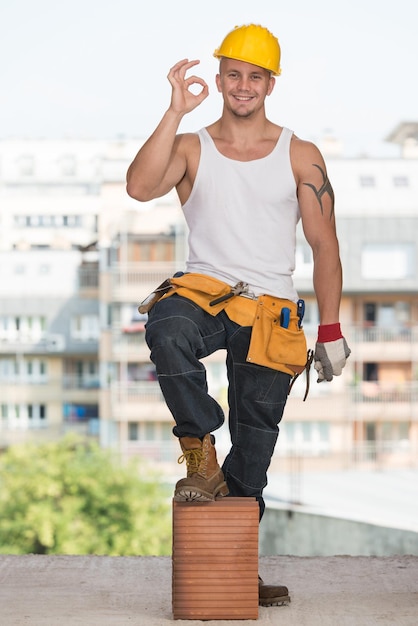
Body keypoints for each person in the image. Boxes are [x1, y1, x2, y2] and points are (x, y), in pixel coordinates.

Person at [126, 23, 350, 607]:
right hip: (204, 294)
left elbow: (325, 246)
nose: (243, 86)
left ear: (271, 83)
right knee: (168, 326)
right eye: (233, 74)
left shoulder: (300, 154)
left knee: (253, 455)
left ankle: (235, 572)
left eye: (255, 76)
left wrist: (330, 331)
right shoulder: (191, 146)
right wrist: (175, 111)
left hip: (270, 312)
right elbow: (139, 187)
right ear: (220, 78)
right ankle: (198, 445)